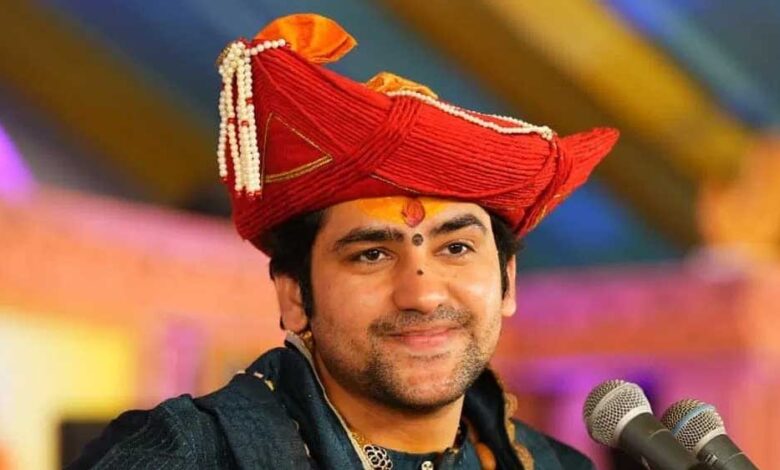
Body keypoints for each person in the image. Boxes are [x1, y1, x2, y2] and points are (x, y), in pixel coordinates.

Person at [69, 13, 618, 470]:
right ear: (294, 296)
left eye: (456, 249)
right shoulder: (189, 456)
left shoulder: (553, 465)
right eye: (372, 254)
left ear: (507, 282)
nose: (423, 294)